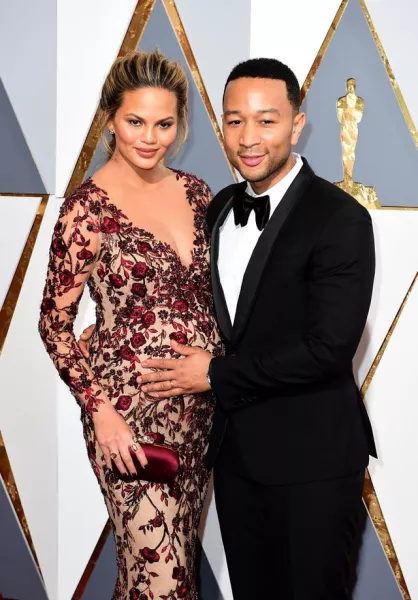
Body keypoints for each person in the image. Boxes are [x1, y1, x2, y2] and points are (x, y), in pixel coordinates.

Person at [125, 58, 377, 599]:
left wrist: (213, 374)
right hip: (238, 458)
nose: (249, 137)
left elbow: (328, 350)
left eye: (267, 120)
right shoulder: (218, 209)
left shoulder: (340, 219)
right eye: (235, 121)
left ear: (297, 123)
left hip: (314, 460)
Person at [39, 50, 222, 600]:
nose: (150, 137)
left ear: (180, 123)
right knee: (160, 580)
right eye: (135, 121)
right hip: (129, 421)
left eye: (164, 124)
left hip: (200, 413)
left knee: (162, 577)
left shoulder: (197, 192)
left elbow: (212, 297)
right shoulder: (86, 210)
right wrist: (101, 414)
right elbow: (53, 325)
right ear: (110, 119)